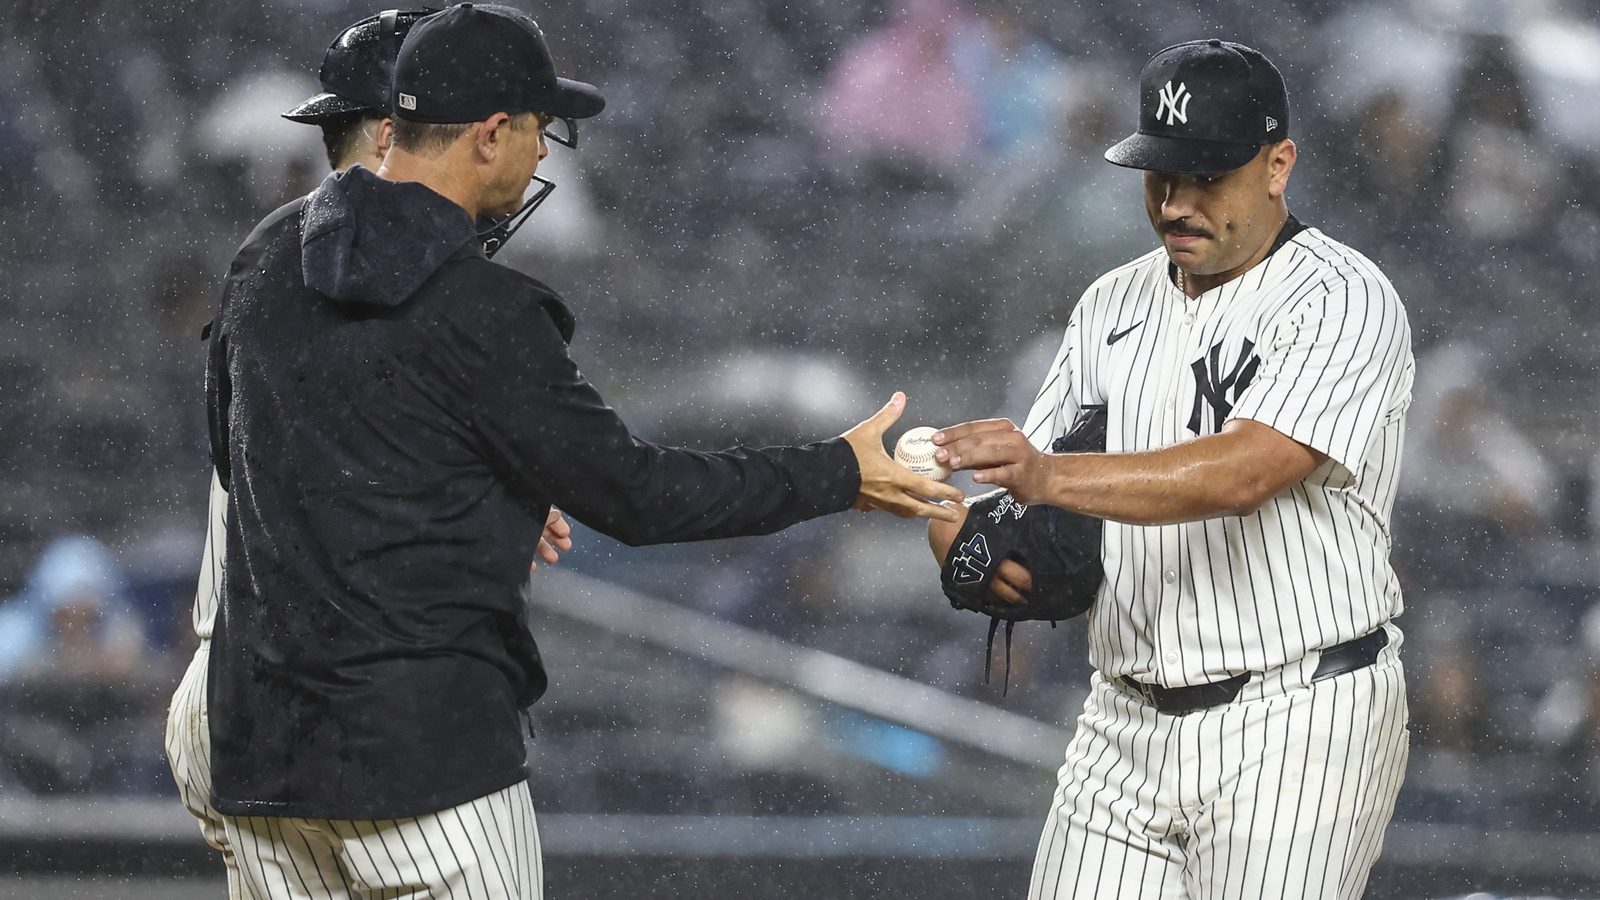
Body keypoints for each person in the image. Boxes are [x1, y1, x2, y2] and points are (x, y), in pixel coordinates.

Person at [201, 6, 961, 900]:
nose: (543, 157)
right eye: (539, 130)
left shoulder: (265, 255)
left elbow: (242, 449)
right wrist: (841, 471)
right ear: (491, 133)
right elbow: (641, 497)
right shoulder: (485, 309)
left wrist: (470, 484)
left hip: (263, 758)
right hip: (425, 769)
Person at [929, 41, 1414, 899]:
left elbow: (1247, 471)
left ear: (1277, 165)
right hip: (1121, 721)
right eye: (1161, 175)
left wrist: (1043, 477)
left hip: (1299, 715)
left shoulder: (1343, 295)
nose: (1177, 202)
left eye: (1207, 177)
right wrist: (951, 530)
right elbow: (1026, 518)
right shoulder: (1109, 304)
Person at [163, 10, 443, 896]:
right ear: (395, 133)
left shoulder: (273, 262)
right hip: (309, 703)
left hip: (239, 690)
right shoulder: (347, 275)